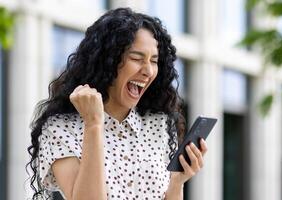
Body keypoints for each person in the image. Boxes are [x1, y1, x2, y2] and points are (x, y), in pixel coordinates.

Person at [27, 7, 208, 200]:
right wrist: (93, 125)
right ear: (108, 61)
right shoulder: (60, 129)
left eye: (154, 61)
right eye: (136, 58)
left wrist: (177, 182)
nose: (148, 71)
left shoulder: (158, 123)